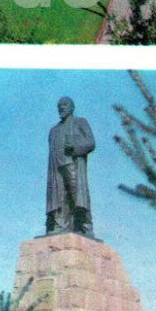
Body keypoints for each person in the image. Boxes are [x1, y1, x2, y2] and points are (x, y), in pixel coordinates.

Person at [46, 96, 96, 237]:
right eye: (59, 105)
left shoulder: (80, 122)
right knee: (59, 198)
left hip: (72, 164)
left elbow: (91, 143)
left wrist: (74, 146)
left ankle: (85, 226)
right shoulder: (54, 130)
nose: (61, 107)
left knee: (78, 196)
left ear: (72, 107)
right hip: (56, 168)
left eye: (65, 104)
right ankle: (61, 225)